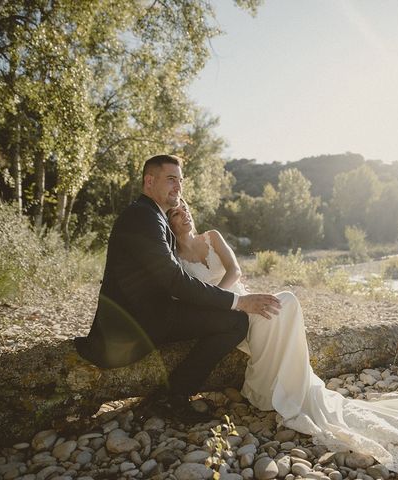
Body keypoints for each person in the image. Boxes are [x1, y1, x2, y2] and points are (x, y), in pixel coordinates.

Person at [166, 201, 398, 473]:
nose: (186, 215)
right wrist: (228, 307)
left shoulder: (213, 237)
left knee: (286, 300)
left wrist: (232, 297)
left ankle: (288, 384)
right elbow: (191, 299)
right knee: (285, 300)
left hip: (244, 301)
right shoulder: (175, 260)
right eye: (178, 213)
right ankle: (262, 390)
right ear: (169, 221)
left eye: (187, 209)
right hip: (229, 320)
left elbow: (234, 270)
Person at [74, 154, 280, 413]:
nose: (178, 187)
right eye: (171, 179)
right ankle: (172, 397)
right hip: (134, 327)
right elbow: (174, 280)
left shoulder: (153, 216)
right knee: (236, 321)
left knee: (229, 318)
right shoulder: (143, 217)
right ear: (149, 181)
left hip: (149, 315)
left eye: (180, 181)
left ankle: (172, 394)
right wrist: (239, 301)